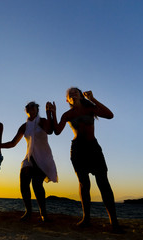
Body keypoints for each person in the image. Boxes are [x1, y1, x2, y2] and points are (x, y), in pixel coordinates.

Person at [47, 87, 120, 231]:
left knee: (103, 183)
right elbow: (56, 131)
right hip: (77, 150)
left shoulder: (90, 108)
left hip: (93, 148)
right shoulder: (67, 114)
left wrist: (92, 99)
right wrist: (52, 113)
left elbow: (110, 115)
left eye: (75, 91)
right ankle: (86, 219)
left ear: (81, 96)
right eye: (70, 93)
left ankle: (114, 222)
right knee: (84, 184)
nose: (73, 93)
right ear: (67, 100)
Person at [1, 102, 58, 222]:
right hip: (29, 158)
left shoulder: (42, 121)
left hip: (43, 158)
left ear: (37, 109)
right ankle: (28, 211)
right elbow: (13, 143)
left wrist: (50, 113)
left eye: (33, 106)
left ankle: (43, 213)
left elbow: (50, 130)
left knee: (37, 184)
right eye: (28, 106)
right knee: (23, 183)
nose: (30, 108)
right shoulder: (24, 126)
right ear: (25, 110)